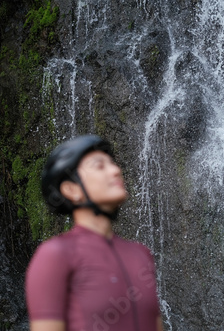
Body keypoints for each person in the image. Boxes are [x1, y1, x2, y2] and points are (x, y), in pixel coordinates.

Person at [25, 134, 164, 331]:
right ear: (72, 190)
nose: (116, 170)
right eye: (100, 166)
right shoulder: (55, 255)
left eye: (113, 164)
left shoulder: (141, 254)